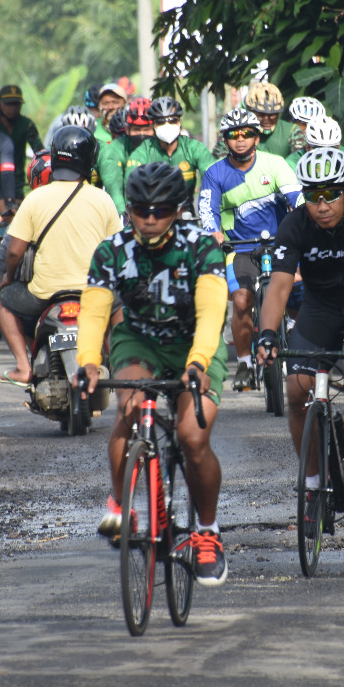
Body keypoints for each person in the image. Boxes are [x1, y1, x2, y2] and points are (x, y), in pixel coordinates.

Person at [78, 162, 231, 586]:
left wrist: (199, 361)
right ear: (128, 209)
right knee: (129, 407)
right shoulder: (111, 250)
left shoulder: (201, 247)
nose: (148, 218)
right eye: (140, 209)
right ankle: (123, 503)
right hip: (139, 340)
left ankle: (207, 533)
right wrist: (89, 362)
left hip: (192, 344)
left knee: (193, 436)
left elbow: (211, 311)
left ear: (177, 209)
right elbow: (93, 310)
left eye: (160, 209)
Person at [255, 147, 344, 517]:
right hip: (320, 309)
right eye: (313, 196)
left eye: (330, 193)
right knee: (297, 387)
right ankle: (314, 487)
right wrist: (267, 333)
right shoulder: (294, 224)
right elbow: (280, 287)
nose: (322, 204)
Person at [0, 126, 120, 386]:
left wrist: (8, 277)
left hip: (44, 294)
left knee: (2, 300)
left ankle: (23, 366)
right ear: (90, 159)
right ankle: (120, 362)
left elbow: (15, 251)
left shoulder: (34, 198)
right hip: (93, 292)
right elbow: (117, 249)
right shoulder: (103, 200)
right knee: (120, 305)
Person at [197, 108, 301, 392]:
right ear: (226, 140)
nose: (240, 140)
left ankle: (297, 334)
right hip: (239, 248)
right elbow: (207, 210)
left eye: (247, 134)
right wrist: (214, 233)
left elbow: (297, 198)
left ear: (257, 137)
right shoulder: (215, 173)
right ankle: (244, 364)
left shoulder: (275, 164)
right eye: (233, 135)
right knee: (242, 301)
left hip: (280, 243)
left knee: (300, 292)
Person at [125, 96, 216, 200]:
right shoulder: (144, 150)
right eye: (160, 122)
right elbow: (130, 182)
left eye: (172, 120)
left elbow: (213, 177)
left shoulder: (193, 147)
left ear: (179, 123)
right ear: (153, 126)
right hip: (155, 211)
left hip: (187, 211)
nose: (167, 125)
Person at [285, 115, 344, 204]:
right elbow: (295, 202)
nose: (324, 155)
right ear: (307, 147)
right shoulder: (292, 162)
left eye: (330, 150)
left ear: (338, 147)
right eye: (318, 149)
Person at [98, 97, 156, 213]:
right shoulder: (114, 149)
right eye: (136, 129)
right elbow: (113, 184)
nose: (141, 134)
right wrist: (123, 212)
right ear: (127, 129)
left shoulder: (161, 147)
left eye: (146, 129)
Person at [0, 84, 45, 200]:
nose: (12, 109)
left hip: (17, 181)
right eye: (8, 104)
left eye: (16, 104)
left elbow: (40, 152)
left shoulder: (26, 125)